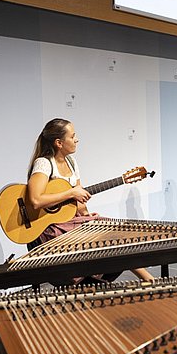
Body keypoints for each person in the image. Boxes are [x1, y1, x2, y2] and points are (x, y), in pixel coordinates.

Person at [27, 118, 153, 282]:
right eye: (72, 137)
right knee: (106, 237)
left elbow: (78, 199)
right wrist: (71, 193)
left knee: (115, 230)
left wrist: (85, 213)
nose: (76, 140)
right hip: (50, 227)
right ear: (59, 142)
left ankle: (144, 280)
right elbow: (36, 200)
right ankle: (146, 280)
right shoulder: (44, 163)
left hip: (70, 220)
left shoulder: (71, 162)